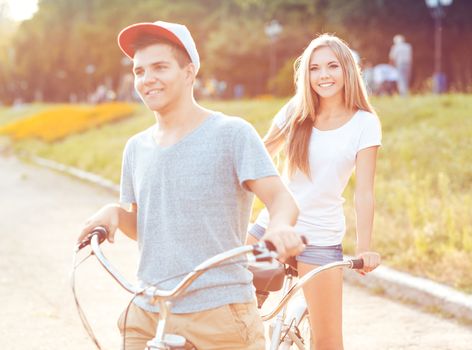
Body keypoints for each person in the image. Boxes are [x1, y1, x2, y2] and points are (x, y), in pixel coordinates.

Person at [77, 20, 306, 350]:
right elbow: (146, 228)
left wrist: (279, 228)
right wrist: (114, 213)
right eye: (139, 71)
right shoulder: (136, 148)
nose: (147, 79)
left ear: (189, 72)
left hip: (219, 312)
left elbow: (282, 199)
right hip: (149, 308)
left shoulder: (231, 133)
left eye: (160, 67)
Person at [247, 34, 382, 350]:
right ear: (305, 74)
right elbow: (258, 155)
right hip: (273, 230)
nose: (324, 75)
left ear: (347, 70)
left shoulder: (364, 123)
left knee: (328, 342)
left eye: (332, 66)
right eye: (315, 68)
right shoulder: (296, 110)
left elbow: (364, 193)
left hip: (318, 238)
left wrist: (364, 249)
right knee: (231, 316)